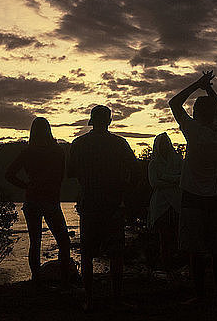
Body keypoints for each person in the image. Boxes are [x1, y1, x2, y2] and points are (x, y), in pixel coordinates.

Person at [68, 105, 136, 312]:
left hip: (89, 204)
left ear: (91, 121)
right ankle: (116, 299)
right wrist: (123, 189)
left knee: (87, 255)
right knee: (116, 254)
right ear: (109, 121)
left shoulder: (79, 143)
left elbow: (71, 173)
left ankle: (89, 300)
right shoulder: (119, 143)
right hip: (113, 204)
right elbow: (135, 168)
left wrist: (84, 186)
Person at [168, 70, 217, 301]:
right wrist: (209, 88)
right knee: (216, 248)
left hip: (192, 197)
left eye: (193, 111)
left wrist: (197, 84)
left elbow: (174, 103)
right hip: (213, 197)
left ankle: (200, 295)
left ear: (196, 113)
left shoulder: (194, 131)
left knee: (195, 249)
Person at [5, 117, 70, 289]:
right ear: (48, 130)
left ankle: (37, 281)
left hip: (32, 200)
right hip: (50, 200)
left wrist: (26, 185)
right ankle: (65, 281)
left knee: (35, 242)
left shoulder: (28, 152)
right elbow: (60, 177)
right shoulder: (57, 151)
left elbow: (9, 174)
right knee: (63, 241)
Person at [147, 132, 182, 275]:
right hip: (160, 204)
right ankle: (167, 267)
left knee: (177, 237)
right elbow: (154, 183)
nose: (164, 148)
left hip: (176, 204)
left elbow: (183, 179)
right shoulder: (153, 163)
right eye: (161, 145)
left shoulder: (178, 161)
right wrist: (174, 180)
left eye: (166, 145)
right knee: (164, 238)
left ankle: (176, 266)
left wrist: (165, 177)